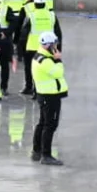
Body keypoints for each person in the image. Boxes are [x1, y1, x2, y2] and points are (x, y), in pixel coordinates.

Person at [30, 33, 67, 166]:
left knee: (43, 123)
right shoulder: (45, 60)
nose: (57, 47)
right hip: (49, 95)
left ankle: (37, 151)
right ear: (49, 46)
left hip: (46, 95)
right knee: (50, 125)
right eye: (55, 45)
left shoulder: (41, 56)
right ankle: (46, 155)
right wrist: (58, 59)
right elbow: (58, 72)